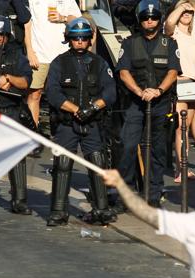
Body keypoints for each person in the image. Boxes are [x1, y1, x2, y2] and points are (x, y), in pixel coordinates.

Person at [44, 17, 117, 226]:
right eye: (76, 38)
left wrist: (93, 107)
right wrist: (76, 109)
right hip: (67, 122)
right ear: (69, 39)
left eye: (84, 38)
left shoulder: (99, 63)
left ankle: (101, 209)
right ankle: (58, 211)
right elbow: (53, 93)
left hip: (93, 121)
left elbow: (111, 92)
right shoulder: (59, 62)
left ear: (89, 40)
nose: (80, 42)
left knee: (97, 162)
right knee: (63, 163)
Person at [116, 0, 180, 208]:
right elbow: (124, 72)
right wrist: (139, 91)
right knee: (127, 146)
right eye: (145, 18)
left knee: (157, 150)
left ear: (160, 19)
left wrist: (159, 90)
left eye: (153, 17)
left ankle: (153, 194)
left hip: (160, 102)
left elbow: (172, 72)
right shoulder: (129, 43)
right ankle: (125, 194)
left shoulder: (169, 44)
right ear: (139, 20)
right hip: (136, 102)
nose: (149, 21)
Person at [0, 15, 33, 220]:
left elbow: (26, 82)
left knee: (17, 156)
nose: (0, 38)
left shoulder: (17, 55)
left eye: (3, 34)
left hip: (11, 109)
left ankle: (19, 200)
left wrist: (9, 78)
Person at [24, 0, 80, 156]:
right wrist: (30, 51)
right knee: (34, 95)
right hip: (39, 54)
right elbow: (27, 24)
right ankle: (32, 139)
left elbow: (77, 20)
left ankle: (62, 138)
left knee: (61, 96)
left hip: (62, 54)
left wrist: (62, 17)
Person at [165, 0, 195, 182]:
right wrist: (181, 7)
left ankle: (182, 167)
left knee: (187, 127)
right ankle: (181, 169)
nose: (187, 14)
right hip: (179, 82)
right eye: (183, 12)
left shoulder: (193, 32)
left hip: (194, 83)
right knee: (181, 128)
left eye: (190, 12)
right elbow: (169, 23)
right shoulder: (173, 32)